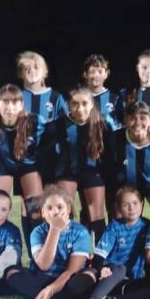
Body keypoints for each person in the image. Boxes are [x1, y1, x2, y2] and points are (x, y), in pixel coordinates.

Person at [82, 187, 150, 299]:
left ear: (142, 205)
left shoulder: (146, 225)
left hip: (130, 280)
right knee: (120, 268)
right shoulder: (115, 227)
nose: (131, 208)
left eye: (135, 204)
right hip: (112, 275)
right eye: (126, 205)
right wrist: (101, 269)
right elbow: (99, 256)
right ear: (118, 208)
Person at [4, 185, 98, 299]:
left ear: (68, 209)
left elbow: (71, 270)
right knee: (11, 272)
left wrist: (51, 290)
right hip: (44, 277)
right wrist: (55, 230)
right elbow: (44, 265)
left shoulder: (81, 232)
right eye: (49, 208)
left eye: (60, 207)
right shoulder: (37, 232)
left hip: (68, 279)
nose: (55, 212)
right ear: (43, 212)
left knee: (89, 277)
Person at [0, 84, 43, 258]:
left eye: (14, 102)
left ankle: (37, 256)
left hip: (27, 164)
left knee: (34, 208)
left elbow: (45, 150)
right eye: (5, 102)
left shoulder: (34, 121)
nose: (9, 107)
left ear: (21, 105)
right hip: (1, 164)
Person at [39, 87, 107, 242]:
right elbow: (46, 154)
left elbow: (109, 152)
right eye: (75, 104)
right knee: (64, 211)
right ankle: (68, 250)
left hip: (92, 172)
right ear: (68, 105)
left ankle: (99, 258)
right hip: (67, 172)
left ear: (91, 104)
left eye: (84, 103)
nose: (80, 108)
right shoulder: (57, 125)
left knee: (96, 214)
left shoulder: (101, 124)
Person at [102, 101, 150, 219]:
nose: (138, 123)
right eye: (132, 118)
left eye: (142, 118)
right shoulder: (114, 139)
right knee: (120, 218)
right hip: (125, 187)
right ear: (125, 120)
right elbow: (108, 170)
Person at [16, 51, 68, 134]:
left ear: (45, 72)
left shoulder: (56, 97)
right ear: (20, 74)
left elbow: (63, 129)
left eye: (36, 67)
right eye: (26, 68)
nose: (32, 71)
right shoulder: (16, 97)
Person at [81, 54, 123, 131]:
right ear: (85, 74)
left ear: (106, 74)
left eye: (100, 72)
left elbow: (120, 125)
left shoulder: (115, 99)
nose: (96, 75)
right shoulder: (79, 98)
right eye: (92, 72)